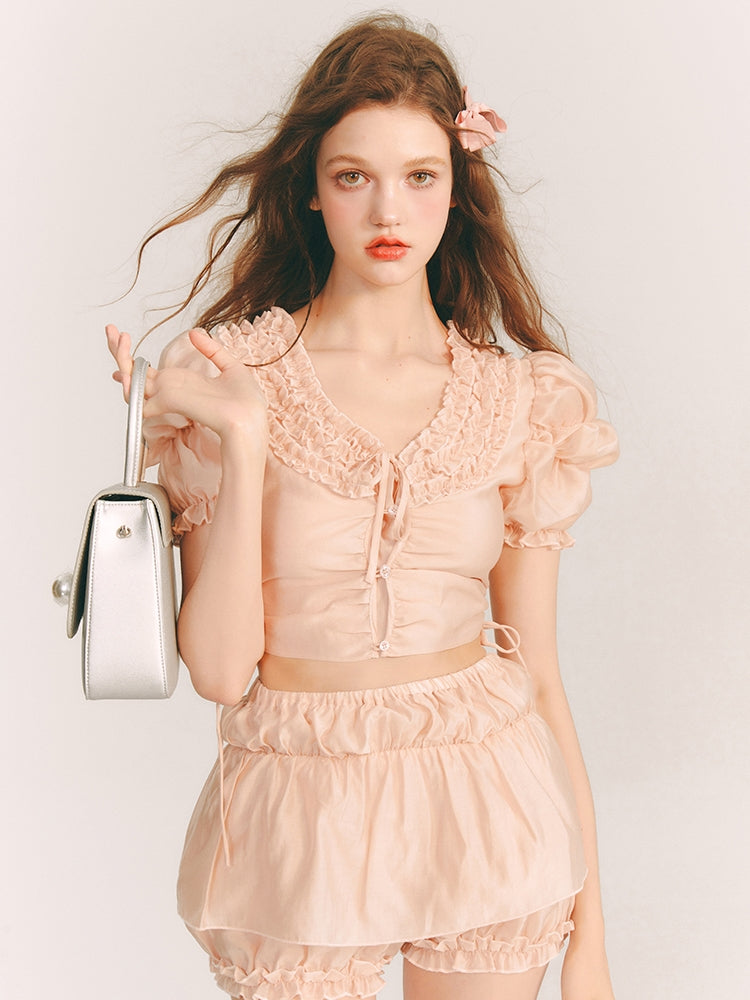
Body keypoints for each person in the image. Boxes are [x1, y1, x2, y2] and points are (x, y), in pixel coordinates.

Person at [106, 13, 619, 1000]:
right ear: (311, 187)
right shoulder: (227, 375)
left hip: (489, 801)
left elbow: (542, 677)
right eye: (354, 176)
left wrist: (590, 939)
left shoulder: (518, 398)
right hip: (298, 815)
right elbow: (220, 672)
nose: (389, 208)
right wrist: (245, 439)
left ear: (457, 187)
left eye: (420, 175)